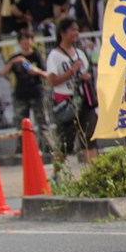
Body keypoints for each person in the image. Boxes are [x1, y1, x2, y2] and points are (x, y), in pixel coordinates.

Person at [47, 18, 98, 166]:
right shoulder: (54, 56)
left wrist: (85, 76)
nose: (76, 33)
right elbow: (52, 81)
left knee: (91, 136)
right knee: (65, 143)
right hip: (66, 104)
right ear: (62, 33)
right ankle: (58, 176)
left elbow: (86, 73)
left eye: (77, 30)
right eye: (72, 30)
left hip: (85, 100)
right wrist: (71, 72)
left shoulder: (80, 53)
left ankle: (95, 173)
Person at [3, 31, 50, 153]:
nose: (26, 42)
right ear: (19, 42)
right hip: (21, 94)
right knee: (21, 123)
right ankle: (22, 148)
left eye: (29, 39)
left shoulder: (37, 56)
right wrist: (13, 61)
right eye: (23, 39)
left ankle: (46, 147)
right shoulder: (16, 57)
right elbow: (3, 72)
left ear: (32, 41)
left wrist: (36, 71)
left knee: (42, 121)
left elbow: (47, 74)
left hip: (36, 92)